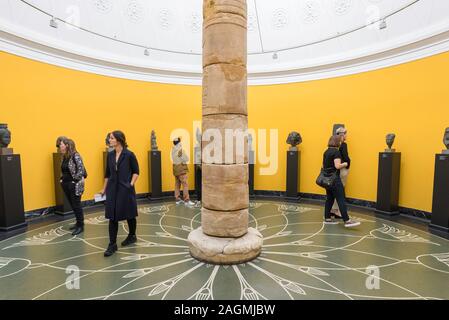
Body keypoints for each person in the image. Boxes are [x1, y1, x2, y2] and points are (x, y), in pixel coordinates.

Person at [101, 131, 140, 257]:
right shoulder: (110, 155)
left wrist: (131, 184)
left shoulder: (129, 155)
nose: (109, 140)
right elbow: (108, 174)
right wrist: (104, 189)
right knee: (112, 216)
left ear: (118, 140)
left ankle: (132, 235)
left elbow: (136, 171)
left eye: (111, 138)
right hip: (112, 190)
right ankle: (112, 244)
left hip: (125, 189)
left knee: (129, 214)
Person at [322, 135, 360, 227]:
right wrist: (345, 163)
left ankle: (327, 218)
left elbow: (324, 165)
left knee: (329, 199)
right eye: (340, 141)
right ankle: (347, 221)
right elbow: (337, 166)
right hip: (335, 180)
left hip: (327, 180)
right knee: (341, 199)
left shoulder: (326, 152)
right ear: (337, 142)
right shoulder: (336, 152)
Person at [58, 137, 86, 236]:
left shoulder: (76, 155)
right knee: (73, 205)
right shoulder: (64, 156)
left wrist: (74, 181)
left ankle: (81, 226)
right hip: (66, 184)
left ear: (66, 145)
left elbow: (81, 170)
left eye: (60, 144)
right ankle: (78, 222)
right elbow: (64, 170)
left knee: (76, 205)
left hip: (75, 184)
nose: (59, 146)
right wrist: (61, 179)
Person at [331, 127, 351, 218]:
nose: (346, 135)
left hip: (336, 170)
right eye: (345, 133)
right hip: (342, 169)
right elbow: (345, 157)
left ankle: (333, 209)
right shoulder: (344, 145)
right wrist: (347, 163)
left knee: (335, 190)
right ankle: (336, 211)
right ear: (342, 134)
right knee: (340, 191)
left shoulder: (334, 145)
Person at [171, 137, 195, 206]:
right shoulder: (180, 150)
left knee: (177, 185)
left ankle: (177, 199)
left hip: (175, 170)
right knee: (185, 185)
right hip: (181, 170)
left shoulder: (172, 150)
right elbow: (186, 158)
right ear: (179, 143)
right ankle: (186, 200)